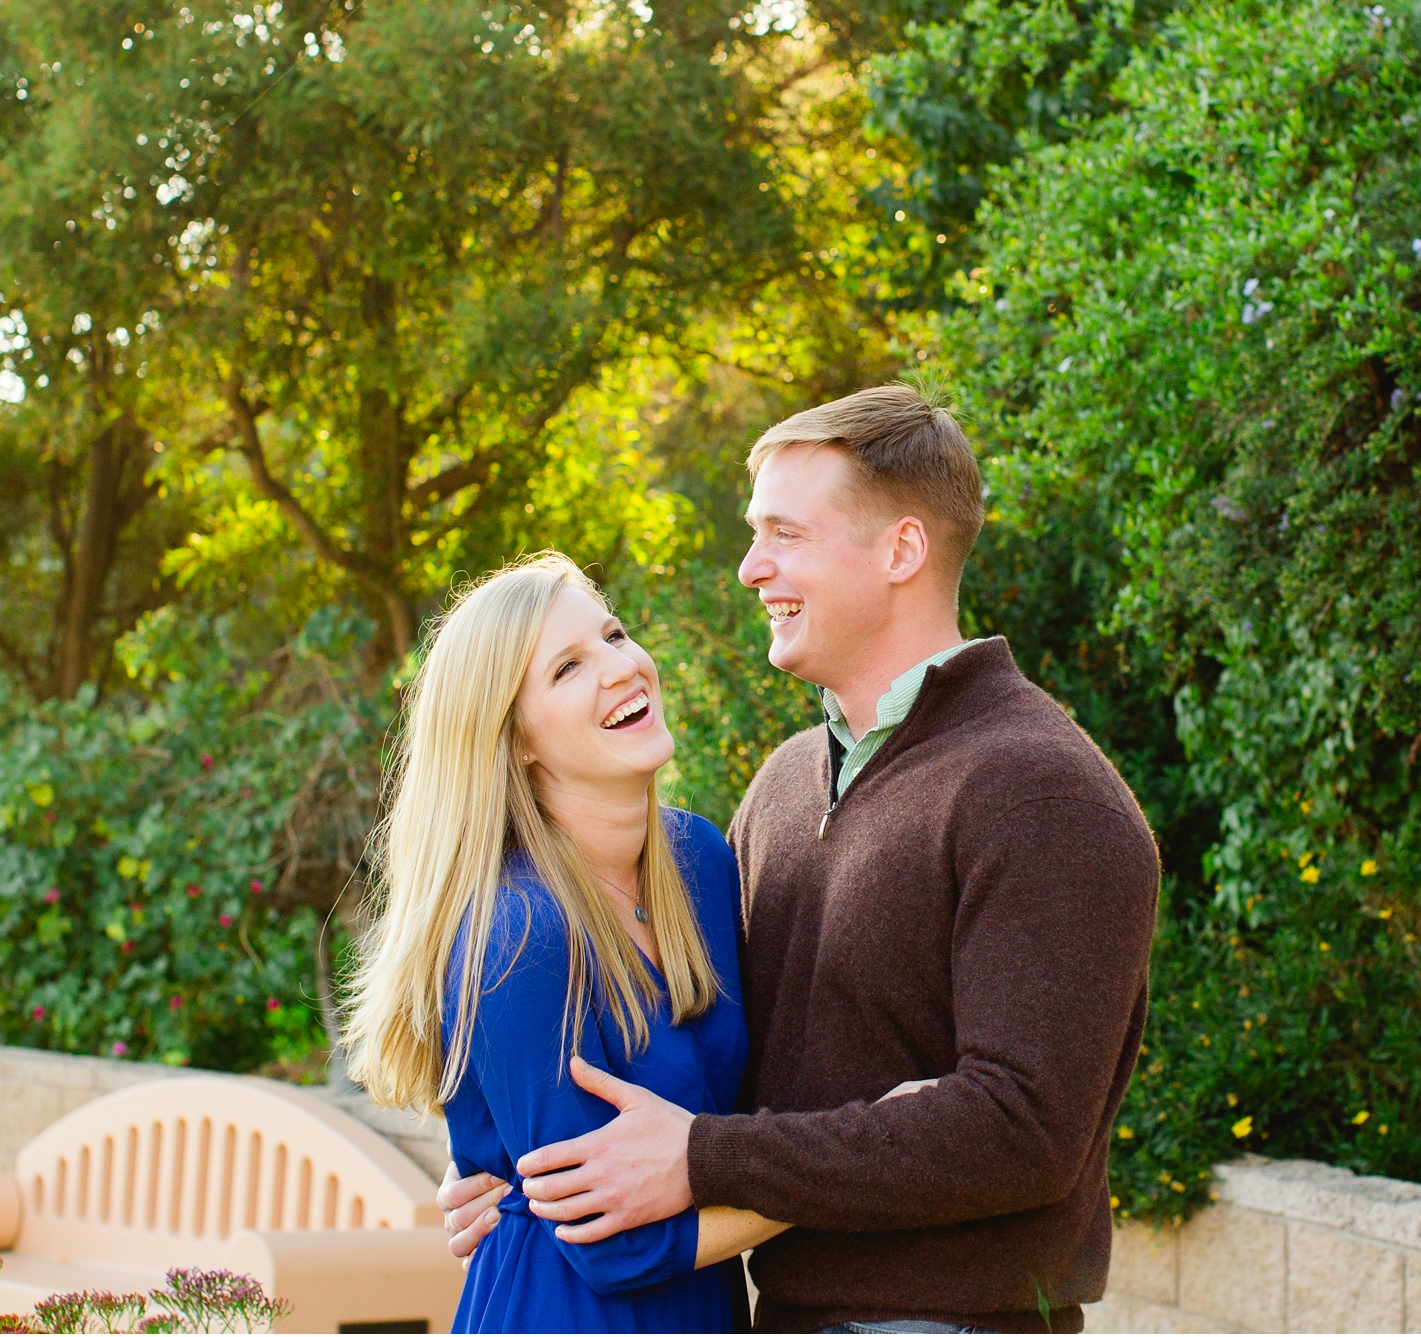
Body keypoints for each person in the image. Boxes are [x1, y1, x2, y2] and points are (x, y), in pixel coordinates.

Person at [439, 392, 1162, 1336]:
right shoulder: (781, 788)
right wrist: (517, 1149)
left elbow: (1023, 1131)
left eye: (785, 532)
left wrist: (707, 1159)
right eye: (754, 533)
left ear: (901, 552)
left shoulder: (1041, 790)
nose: (750, 567)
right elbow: (721, 1064)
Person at [345, 551, 774, 1333]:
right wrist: (840, 1183)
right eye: (568, 667)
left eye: (613, 634)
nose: (621, 667)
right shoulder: (517, 932)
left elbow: (731, 1110)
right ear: (516, 743)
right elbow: (613, 1247)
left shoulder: (700, 861)